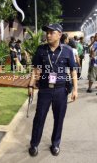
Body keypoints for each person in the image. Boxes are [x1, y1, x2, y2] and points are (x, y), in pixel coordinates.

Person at [28, 23, 78, 157]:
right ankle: (34, 144)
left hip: (61, 91)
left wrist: (75, 90)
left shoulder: (67, 51)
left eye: (51, 32)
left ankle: (55, 144)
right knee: (39, 118)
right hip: (44, 90)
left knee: (59, 119)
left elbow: (73, 71)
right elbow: (36, 69)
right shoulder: (41, 50)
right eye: (47, 32)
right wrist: (31, 85)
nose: (48, 35)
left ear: (59, 35)